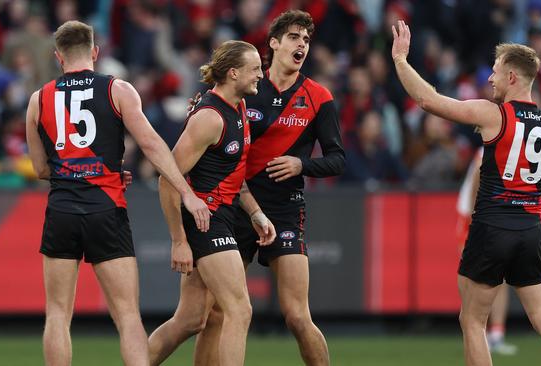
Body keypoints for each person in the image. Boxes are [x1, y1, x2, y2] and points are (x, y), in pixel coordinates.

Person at [151, 10, 345, 366]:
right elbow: (180, 165)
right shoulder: (240, 96)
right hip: (228, 207)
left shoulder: (317, 97)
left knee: (296, 317)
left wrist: (303, 164)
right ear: (274, 43)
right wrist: (182, 231)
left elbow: (338, 159)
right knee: (214, 315)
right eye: (293, 37)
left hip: (281, 208)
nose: (301, 44)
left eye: (306, 39)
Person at [391, 20, 541, 366]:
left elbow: (428, 100)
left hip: (491, 227)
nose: (490, 79)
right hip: (529, 230)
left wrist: (402, 61)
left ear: (512, 77)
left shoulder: (493, 114)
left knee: (472, 321)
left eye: (495, 72)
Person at [25, 20, 211, 366]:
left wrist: (75, 171)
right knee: (127, 317)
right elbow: (152, 145)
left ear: (57, 57)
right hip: (105, 209)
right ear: (95, 52)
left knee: (57, 315)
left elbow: (39, 168)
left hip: (62, 210)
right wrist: (186, 191)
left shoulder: (39, 99)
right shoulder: (118, 90)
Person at [148, 40, 275, 366]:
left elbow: (233, 174)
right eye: (255, 69)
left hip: (224, 214)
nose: (261, 75)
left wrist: (256, 213)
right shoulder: (210, 117)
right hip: (207, 221)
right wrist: (179, 241)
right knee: (239, 308)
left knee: (192, 320)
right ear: (233, 73)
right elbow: (167, 177)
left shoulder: (239, 107)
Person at [456, 147, 517, 356]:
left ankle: (494, 335)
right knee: (476, 279)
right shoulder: (491, 147)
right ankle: (477, 334)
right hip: (476, 219)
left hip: (489, 219)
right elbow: (477, 184)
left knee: (499, 278)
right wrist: (478, 221)